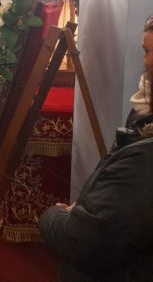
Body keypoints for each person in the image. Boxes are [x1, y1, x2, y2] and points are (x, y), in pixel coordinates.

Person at [38, 16, 153, 282]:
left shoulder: (146, 159)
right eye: (145, 50)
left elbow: (84, 242)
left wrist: (52, 215)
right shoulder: (143, 115)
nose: (146, 63)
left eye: (148, 51)